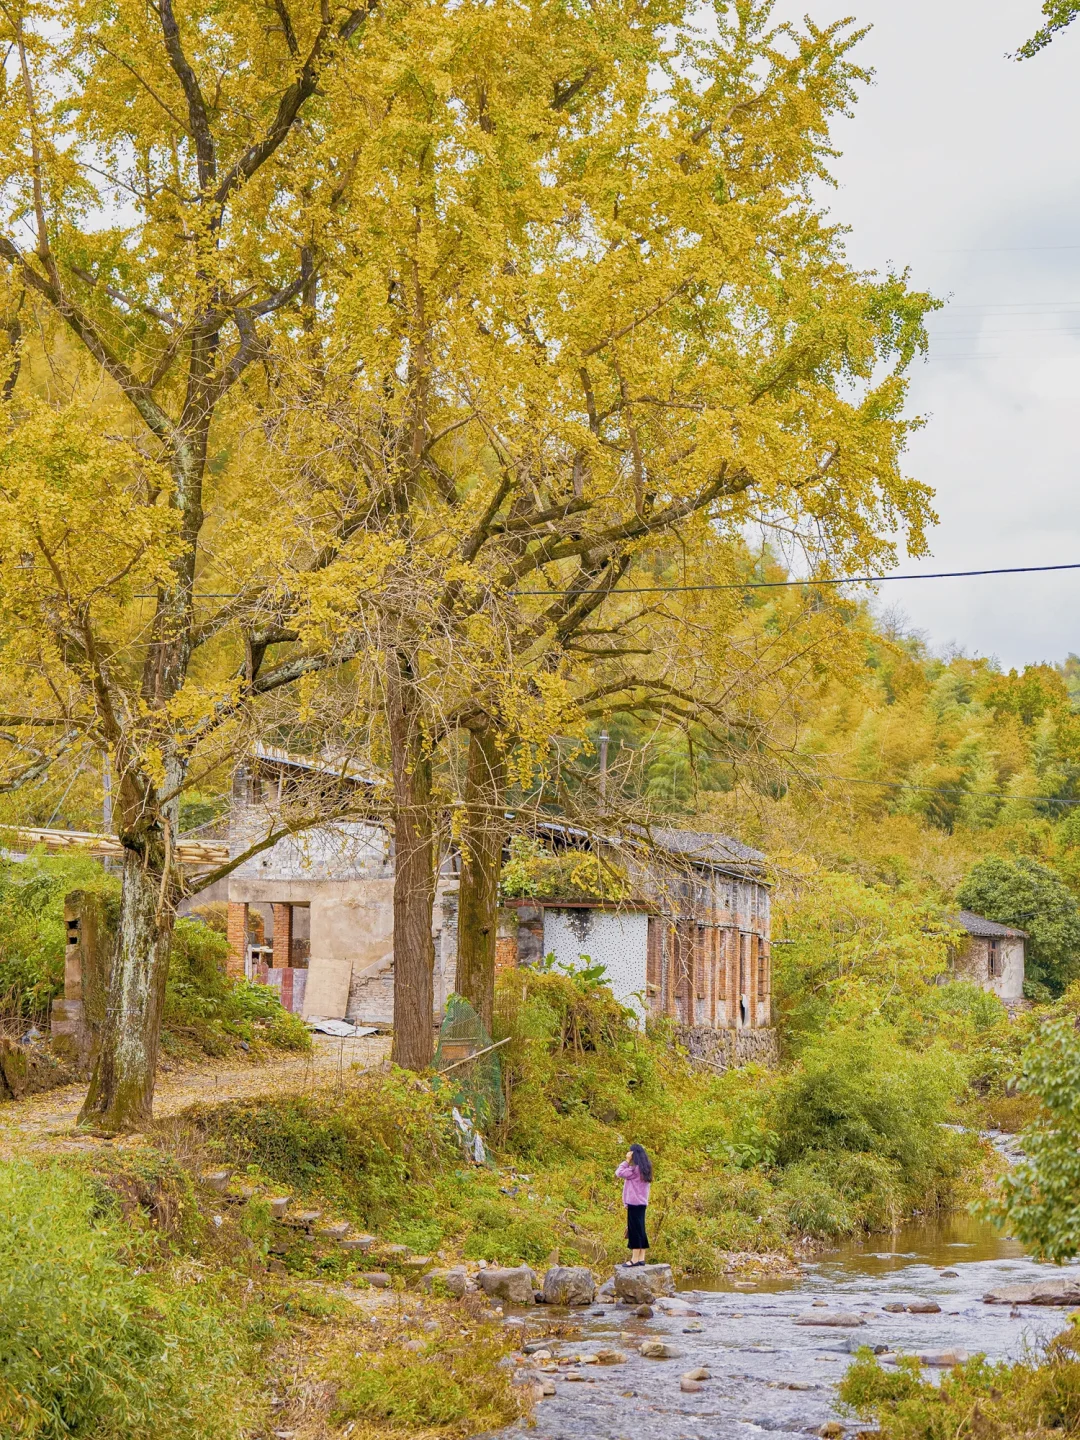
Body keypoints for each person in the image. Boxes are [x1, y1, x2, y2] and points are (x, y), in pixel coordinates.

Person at [615, 1143, 652, 1266]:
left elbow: (619, 1173)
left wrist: (626, 1160)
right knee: (641, 1229)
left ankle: (635, 1259)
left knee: (634, 1230)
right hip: (642, 1204)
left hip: (634, 1204)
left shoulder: (634, 1170)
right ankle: (641, 1257)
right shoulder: (646, 1169)